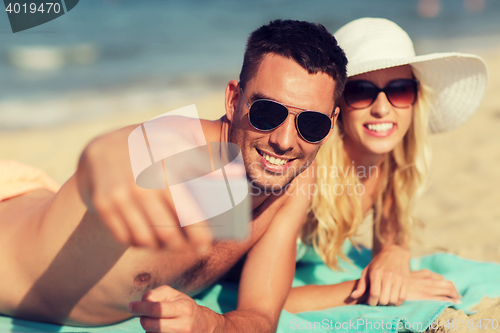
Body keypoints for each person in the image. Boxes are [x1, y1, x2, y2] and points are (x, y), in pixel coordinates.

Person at [0, 19, 347, 332]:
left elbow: (259, 316)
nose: (285, 141)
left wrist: (210, 324)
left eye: (311, 124)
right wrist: (102, 173)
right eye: (267, 112)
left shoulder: (295, 180)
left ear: (330, 125)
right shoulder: (177, 151)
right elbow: (109, 157)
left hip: (33, 201)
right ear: (233, 100)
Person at [283, 17, 488, 312]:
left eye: (400, 90)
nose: (381, 108)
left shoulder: (387, 166)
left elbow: (393, 229)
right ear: (336, 104)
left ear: (416, 99)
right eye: (361, 91)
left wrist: (395, 251)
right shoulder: (304, 174)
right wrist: (365, 289)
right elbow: (263, 300)